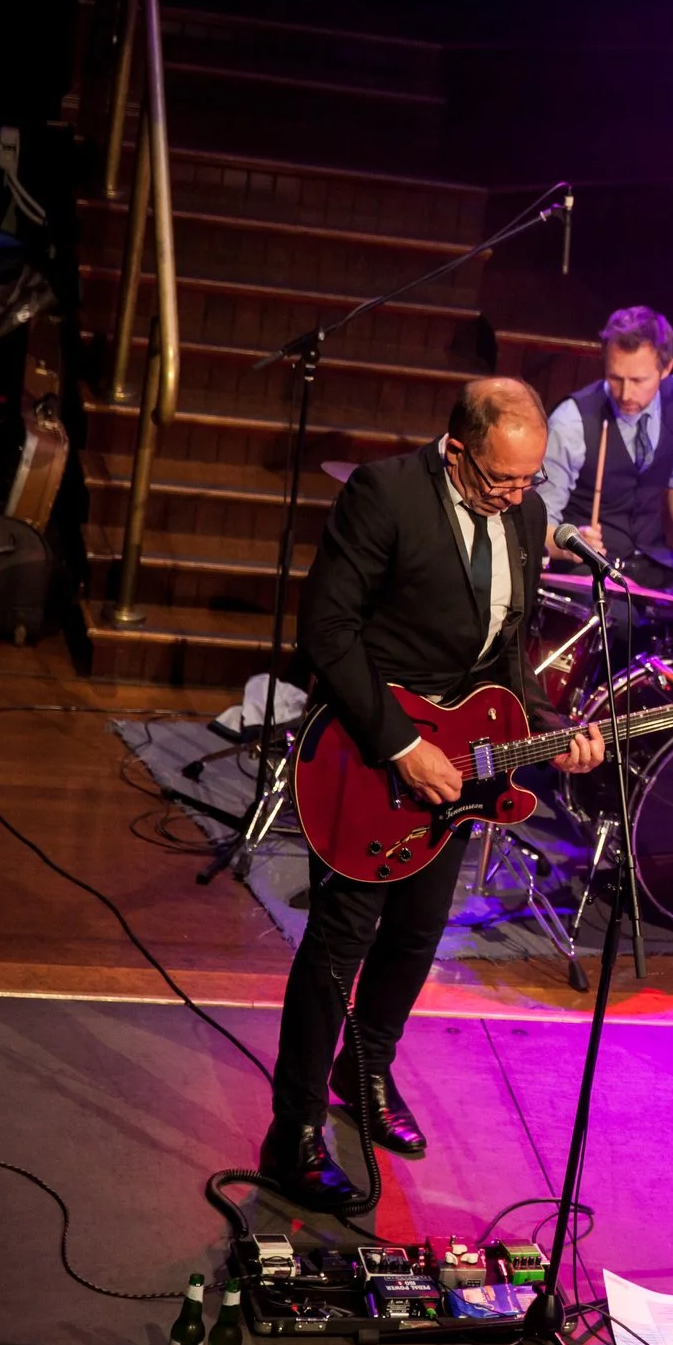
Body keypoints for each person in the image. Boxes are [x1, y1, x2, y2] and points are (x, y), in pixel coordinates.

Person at [261, 378, 606, 1211]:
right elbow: (328, 632)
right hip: (367, 749)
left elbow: (507, 659)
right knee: (340, 942)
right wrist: (403, 746)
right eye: (500, 480)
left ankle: (366, 1066)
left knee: (417, 933)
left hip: (458, 761)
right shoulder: (386, 494)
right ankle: (292, 1133)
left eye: (527, 482)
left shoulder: (525, 516)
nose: (517, 497)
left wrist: (554, 728)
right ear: (458, 450)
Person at [537, 306, 673, 594]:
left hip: (651, 562)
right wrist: (568, 544)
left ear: (666, 369)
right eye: (615, 378)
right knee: (621, 622)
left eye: (638, 381)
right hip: (589, 567)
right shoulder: (570, 423)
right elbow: (535, 525)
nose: (625, 394)